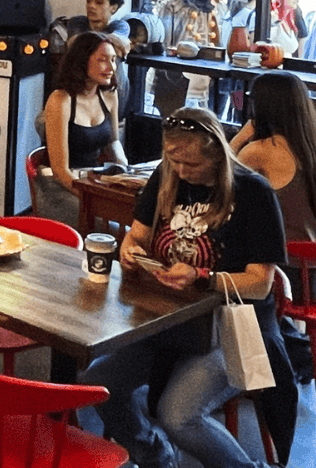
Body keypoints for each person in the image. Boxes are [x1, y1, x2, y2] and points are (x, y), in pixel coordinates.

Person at [83, 107, 297, 468]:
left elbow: (260, 283)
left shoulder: (252, 192)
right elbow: (137, 236)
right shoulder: (168, 176)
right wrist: (132, 251)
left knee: (179, 415)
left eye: (192, 166)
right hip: (168, 320)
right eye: (174, 161)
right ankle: (156, 455)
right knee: (98, 384)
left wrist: (202, 277)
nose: (182, 172)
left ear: (217, 154)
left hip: (233, 325)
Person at [35, 31, 126, 227]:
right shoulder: (61, 99)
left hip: (92, 180)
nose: (111, 68)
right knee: (115, 227)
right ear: (82, 61)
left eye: (113, 60)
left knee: (136, 220)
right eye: (103, 60)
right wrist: (95, 199)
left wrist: (125, 167)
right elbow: (61, 171)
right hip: (60, 187)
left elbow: (114, 141)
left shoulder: (110, 95)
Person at [232, 71, 316, 277]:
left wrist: (239, 138)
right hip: (309, 270)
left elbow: (221, 181)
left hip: (282, 271)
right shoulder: (309, 144)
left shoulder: (259, 151)